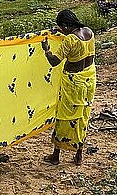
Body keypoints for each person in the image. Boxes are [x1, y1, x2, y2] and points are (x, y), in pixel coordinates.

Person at [41, 10, 96, 166]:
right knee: (81, 117)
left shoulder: (70, 40)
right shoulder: (89, 32)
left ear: (65, 25)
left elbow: (54, 61)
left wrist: (46, 49)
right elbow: (79, 45)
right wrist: (63, 32)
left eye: (62, 27)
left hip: (73, 83)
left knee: (64, 117)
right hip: (89, 79)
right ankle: (78, 155)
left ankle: (56, 155)